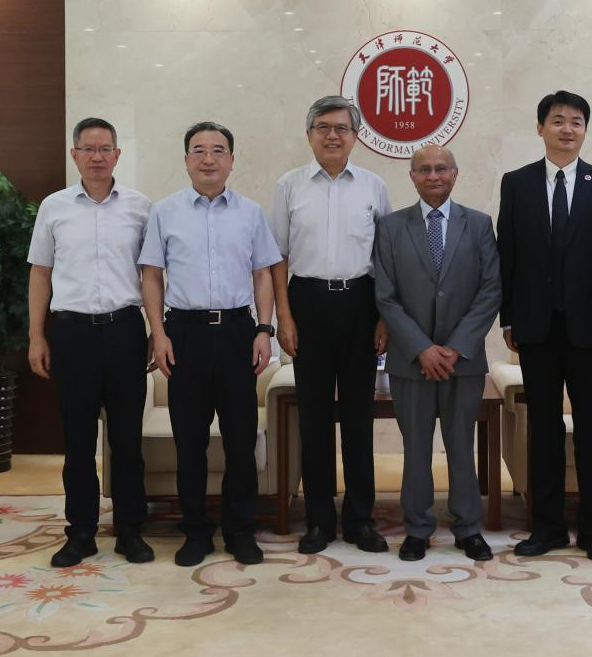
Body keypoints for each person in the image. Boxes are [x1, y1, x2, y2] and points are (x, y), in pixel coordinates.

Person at [140, 121, 281, 567]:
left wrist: (264, 330)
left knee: (241, 441)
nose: (208, 158)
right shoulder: (164, 212)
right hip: (184, 333)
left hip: (238, 332)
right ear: (186, 160)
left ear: (231, 161)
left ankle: (240, 531)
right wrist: (159, 334)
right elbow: (151, 276)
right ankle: (196, 531)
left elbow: (263, 274)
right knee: (190, 441)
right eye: (198, 150)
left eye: (218, 150)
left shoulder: (251, 213)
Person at [496, 90, 592, 563]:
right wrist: (509, 317)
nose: (567, 129)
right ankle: (547, 527)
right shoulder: (517, 183)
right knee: (544, 430)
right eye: (557, 120)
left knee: (590, 430)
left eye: (576, 121)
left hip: (590, 332)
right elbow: (507, 253)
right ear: (540, 128)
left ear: (585, 130)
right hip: (535, 328)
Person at [27, 117, 154, 568]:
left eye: (105, 149)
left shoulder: (140, 208)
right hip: (72, 333)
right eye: (88, 149)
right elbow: (40, 273)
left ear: (117, 155)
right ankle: (80, 532)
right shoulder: (54, 207)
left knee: (127, 439)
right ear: (74, 155)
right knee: (78, 441)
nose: (97, 157)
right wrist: (36, 335)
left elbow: (153, 275)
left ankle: (130, 530)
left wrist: (157, 330)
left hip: (125, 330)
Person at [270, 96, 392, 554]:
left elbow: (386, 258)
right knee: (315, 417)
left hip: (361, 302)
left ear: (356, 137)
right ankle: (319, 521)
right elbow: (277, 257)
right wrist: (284, 317)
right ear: (309, 135)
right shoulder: (289, 185)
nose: (332, 135)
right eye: (323, 127)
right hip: (307, 303)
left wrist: (383, 317)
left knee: (359, 417)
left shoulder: (374, 186)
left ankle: (360, 520)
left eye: (342, 128)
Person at [373, 145, 502, 562]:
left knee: (461, 446)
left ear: (455, 174)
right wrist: (422, 349)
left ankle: (468, 528)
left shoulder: (478, 224)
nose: (433, 176)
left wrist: (456, 347)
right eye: (424, 169)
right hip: (411, 361)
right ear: (412, 176)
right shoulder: (391, 227)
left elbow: (490, 290)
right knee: (416, 449)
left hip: (463, 360)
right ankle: (417, 529)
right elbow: (385, 296)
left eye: (441, 169)